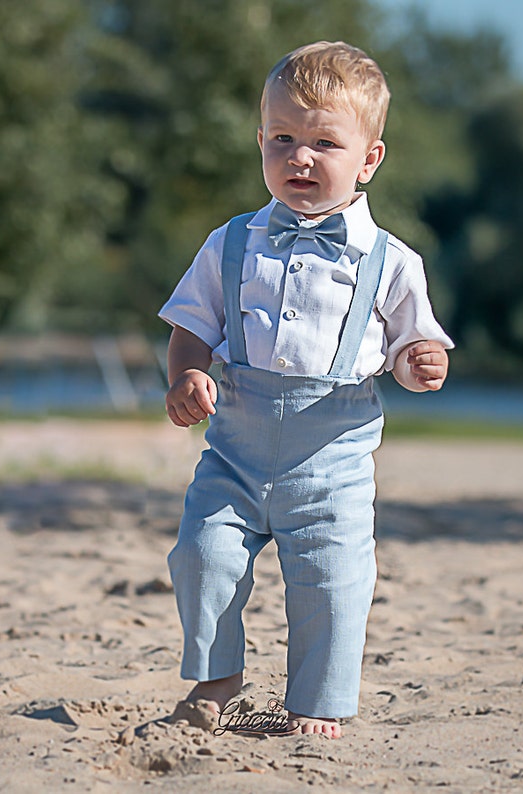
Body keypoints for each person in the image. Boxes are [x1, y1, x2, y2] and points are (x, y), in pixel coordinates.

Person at [158, 40, 452, 739]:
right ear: (260, 141)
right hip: (233, 446)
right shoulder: (230, 243)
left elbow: (417, 342)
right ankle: (218, 678)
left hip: (333, 457)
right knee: (202, 554)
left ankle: (317, 701)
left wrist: (418, 363)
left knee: (332, 581)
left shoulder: (390, 261)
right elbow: (192, 323)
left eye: (325, 143)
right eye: (283, 138)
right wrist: (187, 374)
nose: (301, 157)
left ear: (368, 159)